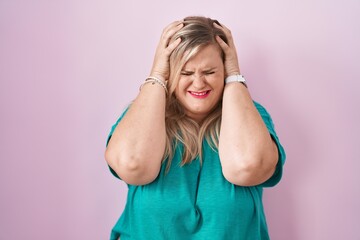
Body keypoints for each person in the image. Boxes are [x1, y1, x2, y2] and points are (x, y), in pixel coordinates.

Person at [105, 16, 286, 240]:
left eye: (209, 72)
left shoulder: (251, 115)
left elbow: (249, 166)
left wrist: (234, 75)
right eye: (186, 73)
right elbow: (132, 164)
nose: (199, 83)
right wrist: (157, 75)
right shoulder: (144, 115)